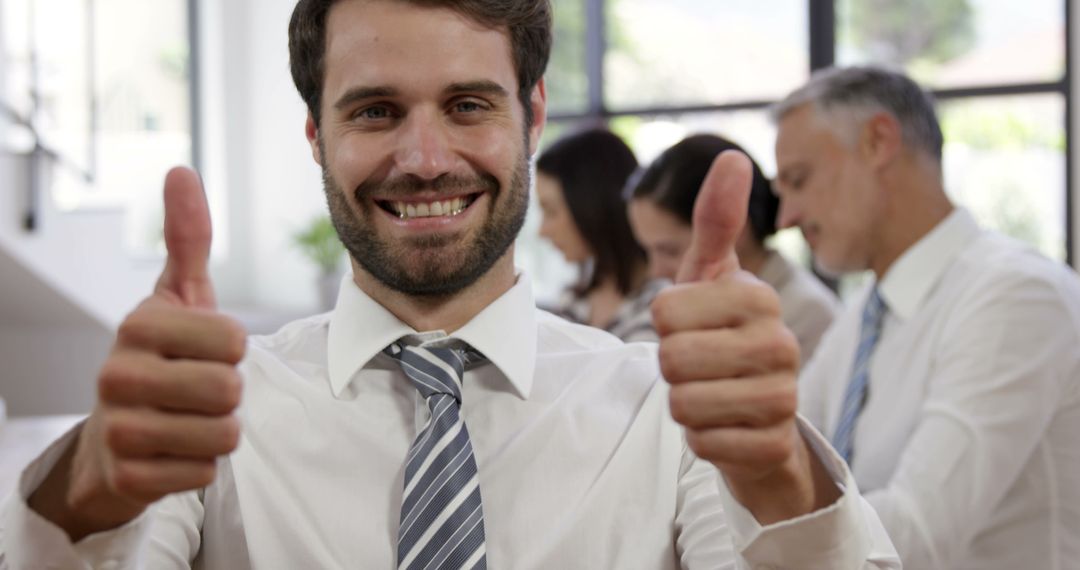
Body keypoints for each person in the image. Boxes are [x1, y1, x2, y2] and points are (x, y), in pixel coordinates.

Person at [0, 2, 900, 568]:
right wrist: (87, 489)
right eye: (376, 111)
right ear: (316, 134)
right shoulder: (217, 418)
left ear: (532, 115)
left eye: (468, 105)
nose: (425, 162)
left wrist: (779, 476)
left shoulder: (668, 411)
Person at [772, 65, 1080, 569]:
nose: (785, 218)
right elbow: (791, 452)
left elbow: (913, 537)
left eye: (798, 180)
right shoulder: (866, 313)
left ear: (878, 142)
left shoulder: (1016, 296)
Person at [627, 133, 839, 359]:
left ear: (733, 226)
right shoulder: (680, 303)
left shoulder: (806, 315)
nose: (656, 271)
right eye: (646, 251)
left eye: (669, 251)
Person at [536, 128, 665, 342]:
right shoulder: (573, 299)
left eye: (551, 211)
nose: (543, 231)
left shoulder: (662, 304)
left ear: (590, 205)